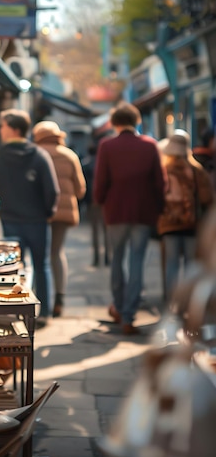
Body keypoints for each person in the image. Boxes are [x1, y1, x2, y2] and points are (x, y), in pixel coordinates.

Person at [93, 101, 166, 335]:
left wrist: (101, 201)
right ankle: (129, 315)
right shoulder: (149, 145)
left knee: (117, 260)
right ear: (137, 122)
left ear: (114, 123)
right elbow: (160, 183)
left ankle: (119, 305)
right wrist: (159, 208)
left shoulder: (107, 146)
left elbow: (100, 182)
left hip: (115, 212)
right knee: (137, 262)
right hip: (143, 213)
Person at [0, 109, 60, 323]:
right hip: (37, 220)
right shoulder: (39, 155)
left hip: (10, 219)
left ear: (14, 129)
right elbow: (52, 191)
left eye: (3, 126)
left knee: (14, 267)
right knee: (41, 265)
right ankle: (43, 313)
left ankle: (18, 311)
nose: (0, 130)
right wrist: (47, 213)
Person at [32, 120, 87, 317]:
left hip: (38, 211)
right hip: (63, 213)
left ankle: (38, 299)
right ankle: (60, 298)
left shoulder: (35, 154)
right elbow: (81, 189)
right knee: (57, 252)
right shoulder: (69, 155)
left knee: (39, 257)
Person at [157, 129, 214, 300]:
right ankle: (189, 301)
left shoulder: (163, 170)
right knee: (191, 265)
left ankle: (172, 302)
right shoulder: (197, 170)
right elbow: (206, 198)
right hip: (191, 224)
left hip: (168, 224)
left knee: (171, 264)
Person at [81, 138, 112, 268]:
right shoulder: (105, 163)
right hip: (105, 201)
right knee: (107, 231)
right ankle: (107, 257)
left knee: (95, 231)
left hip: (92, 201)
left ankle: (96, 258)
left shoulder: (85, 164)